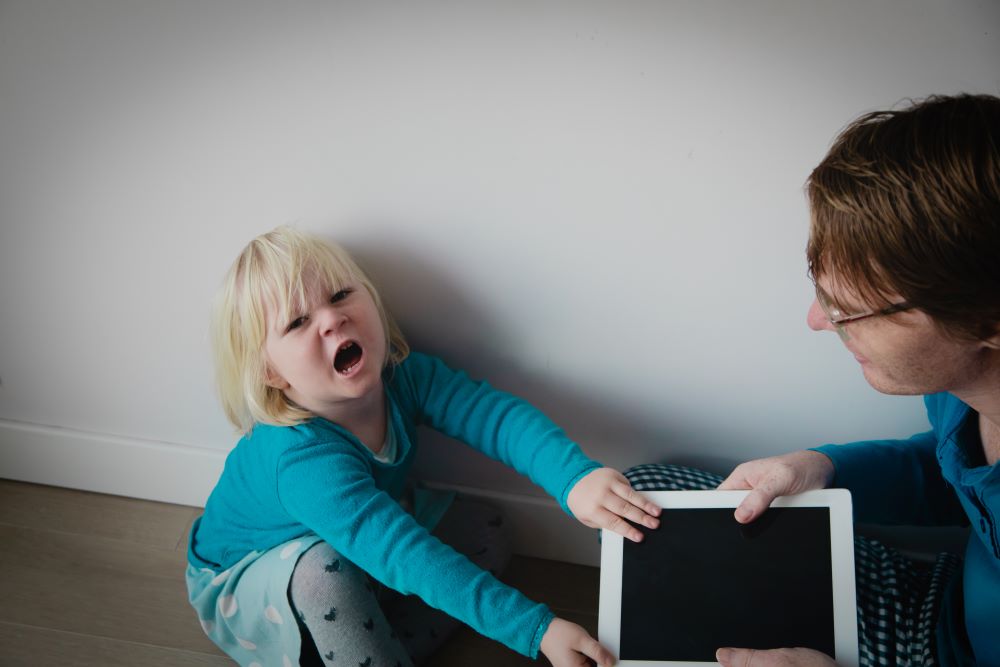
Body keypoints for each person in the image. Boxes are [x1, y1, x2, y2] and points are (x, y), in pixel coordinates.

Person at [629, 93, 1000, 666]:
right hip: (939, 598)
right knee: (645, 489)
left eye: (849, 309)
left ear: (987, 323)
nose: (816, 321)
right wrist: (821, 467)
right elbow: (954, 473)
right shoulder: (958, 396)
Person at [185, 225, 660, 667]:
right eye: (298, 322)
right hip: (252, 579)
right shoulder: (300, 458)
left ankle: (374, 640)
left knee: (487, 530)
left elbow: (495, 418)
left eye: (341, 294)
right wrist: (537, 631)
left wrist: (574, 478)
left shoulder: (402, 377)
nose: (332, 320)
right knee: (326, 573)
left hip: (362, 534)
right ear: (272, 374)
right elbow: (405, 553)